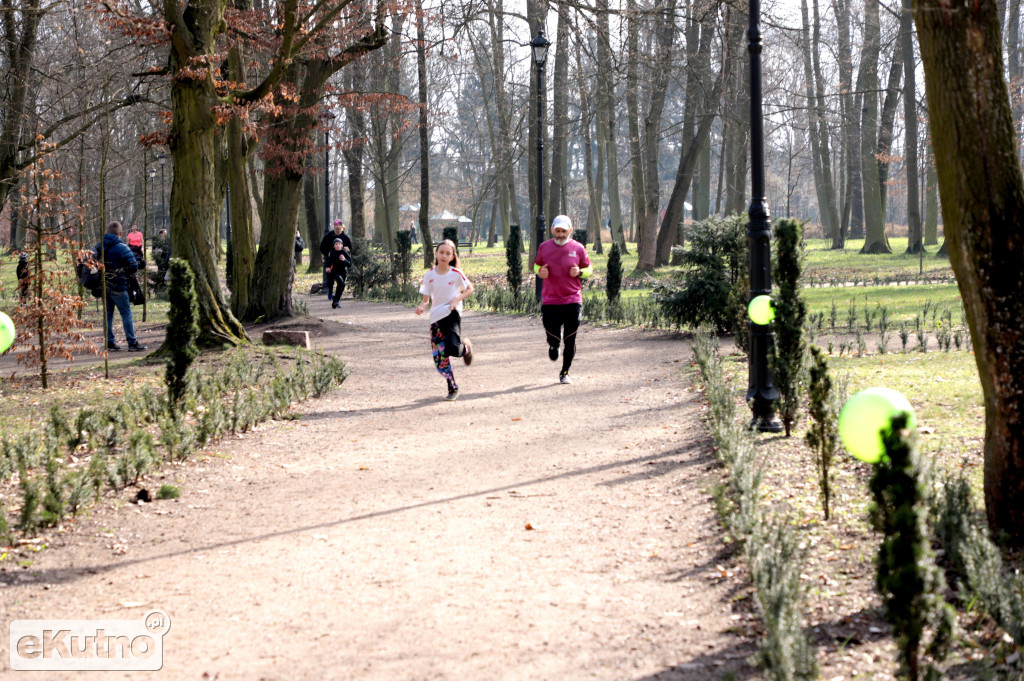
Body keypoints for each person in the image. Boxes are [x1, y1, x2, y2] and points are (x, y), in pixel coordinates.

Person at [535, 214, 592, 384]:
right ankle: (553, 345)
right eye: (557, 231)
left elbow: (589, 269)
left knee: (570, 338)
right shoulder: (544, 247)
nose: (560, 235)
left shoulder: (579, 248)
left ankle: (565, 372)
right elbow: (537, 265)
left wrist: (580, 273)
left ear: (570, 231)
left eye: (564, 231)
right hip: (551, 300)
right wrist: (540, 272)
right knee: (553, 334)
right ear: (552, 230)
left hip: (572, 300)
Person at [415, 240, 474, 401]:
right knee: (440, 359)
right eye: (441, 252)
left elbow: (470, 288)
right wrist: (421, 307)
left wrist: (456, 300)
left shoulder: (456, 273)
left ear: (452, 256)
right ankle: (452, 387)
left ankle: (466, 348)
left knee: (453, 348)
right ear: (436, 253)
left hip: (452, 313)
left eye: (448, 253)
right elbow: (425, 300)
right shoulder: (429, 275)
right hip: (436, 318)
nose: (444, 255)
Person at [95, 221, 146, 351]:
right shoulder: (121, 247)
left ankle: (109, 343)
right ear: (121, 233)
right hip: (119, 286)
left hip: (104, 286)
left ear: (107, 232)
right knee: (126, 313)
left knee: (108, 315)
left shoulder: (99, 246)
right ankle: (132, 343)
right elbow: (133, 266)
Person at [319, 220, 352, 299]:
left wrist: (348, 249)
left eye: (339, 225)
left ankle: (339, 294)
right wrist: (328, 253)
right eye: (336, 225)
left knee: (342, 279)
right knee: (330, 278)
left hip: (341, 262)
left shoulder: (345, 237)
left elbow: (351, 248)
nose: (338, 227)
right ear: (334, 226)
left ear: (341, 226)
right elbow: (321, 247)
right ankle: (330, 293)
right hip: (331, 261)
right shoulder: (328, 236)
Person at [324, 238, 351, 309]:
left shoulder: (344, 253)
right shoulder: (332, 253)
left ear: (342, 245)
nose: (338, 245)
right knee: (340, 281)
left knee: (341, 286)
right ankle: (335, 300)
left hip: (343, 272)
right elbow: (328, 262)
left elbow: (350, 264)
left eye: (339, 244)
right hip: (335, 271)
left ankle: (336, 301)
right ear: (334, 246)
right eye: (336, 244)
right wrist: (327, 267)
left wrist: (344, 260)